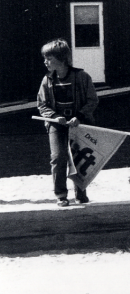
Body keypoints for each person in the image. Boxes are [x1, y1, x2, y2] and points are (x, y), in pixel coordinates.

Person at [36, 39, 99, 206]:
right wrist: (54, 116)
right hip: (57, 125)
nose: (45, 62)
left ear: (62, 58)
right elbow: (41, 104)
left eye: (49, 58)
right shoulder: (47, 80)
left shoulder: (82, 77)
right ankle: (61, 195)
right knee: (58, 157)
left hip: (79, 124)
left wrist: (79, 116)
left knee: (79, 158)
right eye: (45, 58)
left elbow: (92, 101)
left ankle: (81, 193)